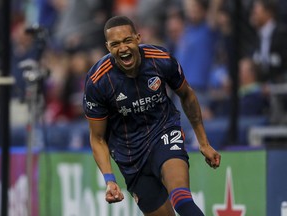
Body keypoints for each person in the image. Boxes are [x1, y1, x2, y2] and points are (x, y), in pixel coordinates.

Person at [83, 16, 221, 216]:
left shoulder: (161, 60)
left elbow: (187, 95)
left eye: (127, 40)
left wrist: (204, 142)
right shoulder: (98, 81)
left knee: (181, 199)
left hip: (164, 131)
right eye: (115, 44)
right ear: (107, 47)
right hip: (130, 155)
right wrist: (109, 179)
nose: (123, 48)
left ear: (138, 38)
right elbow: (97, 138)